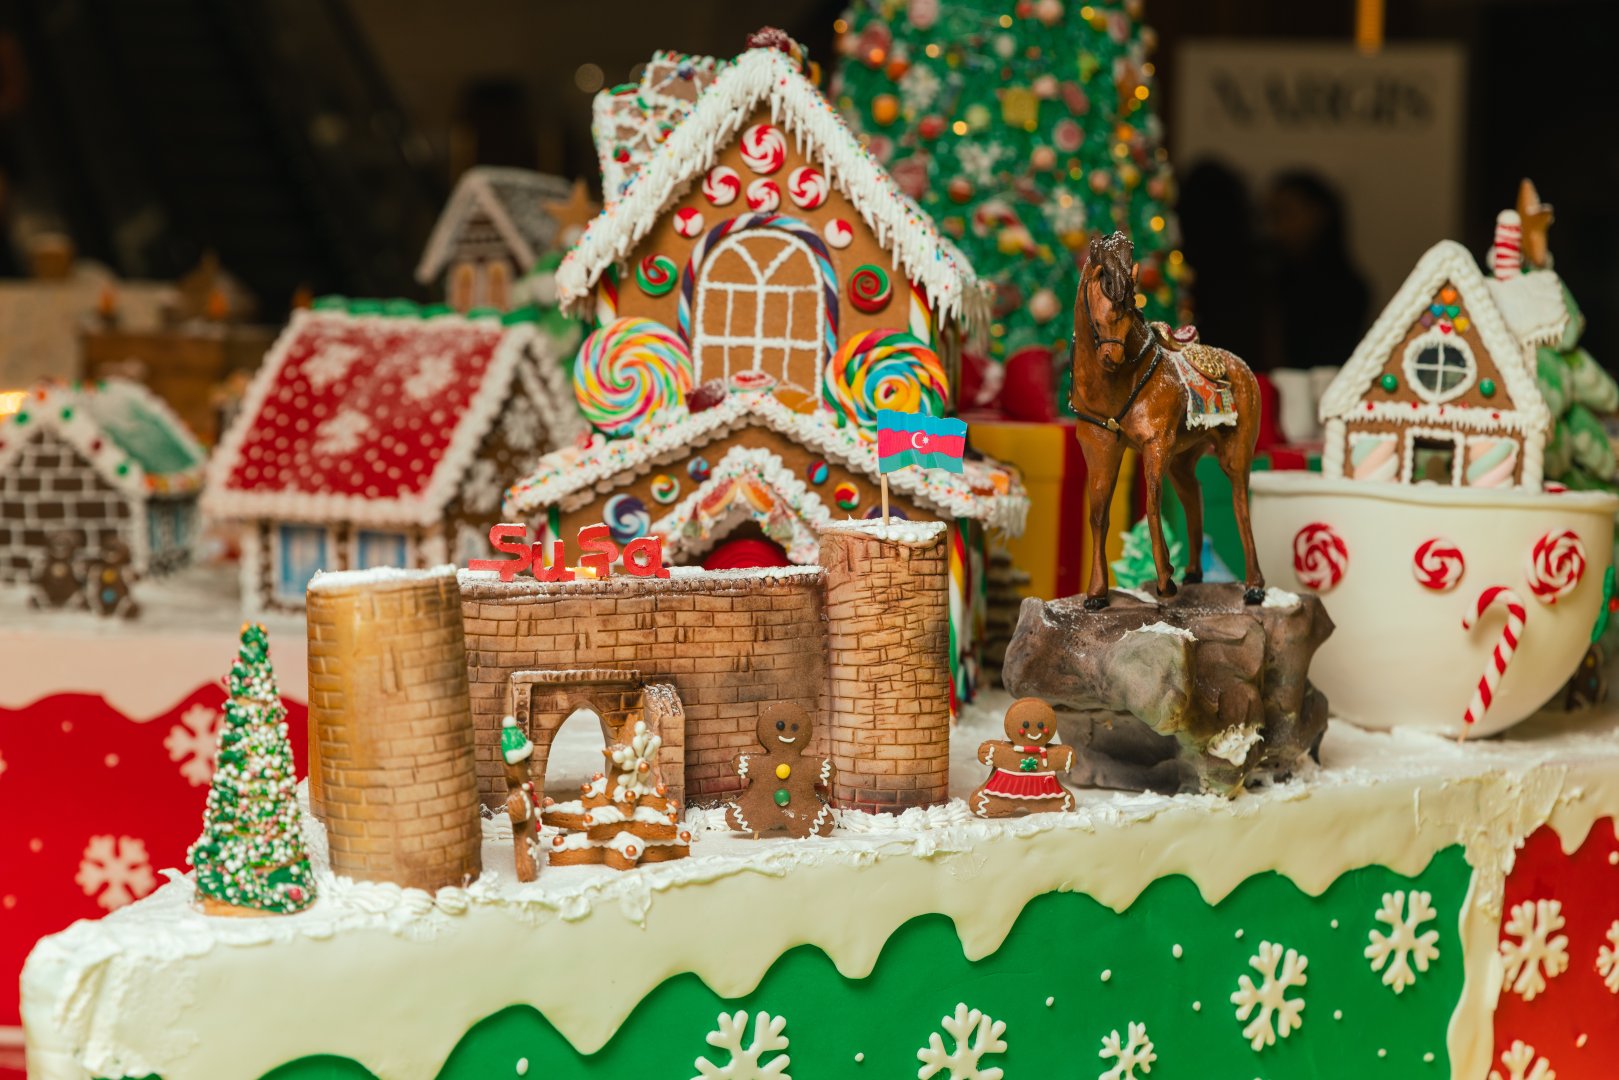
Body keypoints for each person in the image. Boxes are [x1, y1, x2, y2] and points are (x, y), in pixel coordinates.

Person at [1262, 171, 1371, 370]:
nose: (1277, 227)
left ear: (1319, 215)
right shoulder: (1272, 278)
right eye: (1272, 216)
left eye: (1286, 213)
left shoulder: (1346, 290)